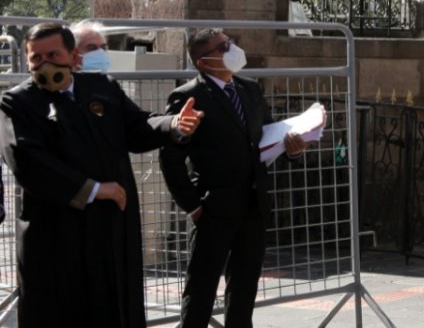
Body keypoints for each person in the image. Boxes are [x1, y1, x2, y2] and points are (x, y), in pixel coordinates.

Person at [0, 22, 203, 327]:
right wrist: (93, 189)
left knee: (115, 306)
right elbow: (28, 161)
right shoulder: (18, 102)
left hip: (110, 228)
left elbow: (137, 127)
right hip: (57, 233)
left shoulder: (101, 89)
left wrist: (172, 125)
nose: (45, 64)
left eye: (53, 54)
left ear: (73, 57)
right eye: (36, 58)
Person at [159, 28, 309, 328]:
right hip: (213, 210)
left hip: (252, 206)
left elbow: (267, 137)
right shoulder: (189, 96)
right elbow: (170, 159)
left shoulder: (250, 89)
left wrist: (292, 149)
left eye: (231, 43)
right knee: (201, 292)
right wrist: (194, 206)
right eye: (222, 47)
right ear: (203, 62)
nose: (231, 49)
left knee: (243, 291)